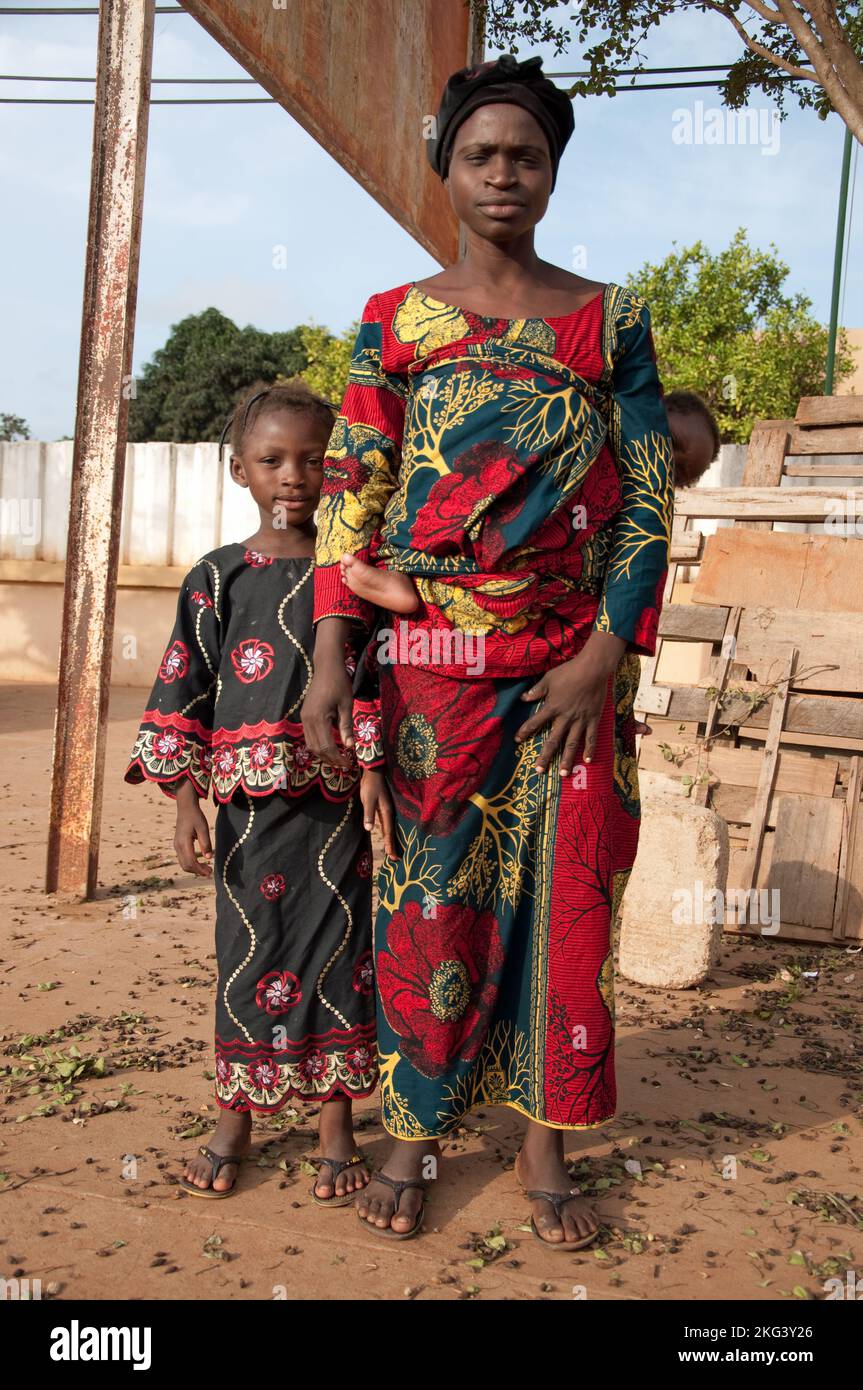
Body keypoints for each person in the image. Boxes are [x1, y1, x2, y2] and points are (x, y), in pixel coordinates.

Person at [301, 54, 674, 1248]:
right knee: (433, 893)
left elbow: (646, 502)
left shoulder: (609, 318)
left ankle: (544, 1138)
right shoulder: (391, 319)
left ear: (552, 174)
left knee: (569, 899)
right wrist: (325, 657)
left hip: (570, 661)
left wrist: (601, 657)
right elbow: (350, 497)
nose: (502, 172)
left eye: (525, 155)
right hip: (433, 668)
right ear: (445, 173)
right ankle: (413, 1128)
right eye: (480, 155)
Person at [125, 379, 396, 1203]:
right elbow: (185, 689)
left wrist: (376, 772)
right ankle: (235, 1120)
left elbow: (379, 675)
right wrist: (184, 803)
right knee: (246, 956)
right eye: (273, 460)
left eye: (315, 461)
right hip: (247, 818)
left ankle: (336, 1129)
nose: (295, 477)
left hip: (336, 808)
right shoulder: (216, 578)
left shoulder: (353, 575)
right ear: (238, 468)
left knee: (341, 959)